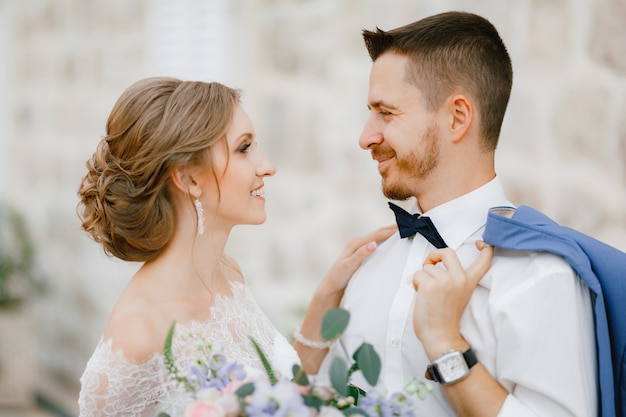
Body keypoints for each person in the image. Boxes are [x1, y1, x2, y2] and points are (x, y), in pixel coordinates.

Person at [295, 11, 597, 417]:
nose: (366, 137)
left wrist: (444, 342)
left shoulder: (539, 275)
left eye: (386, 113)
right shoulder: (369, 266)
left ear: (457, 118)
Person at [76, 77, 396, 417]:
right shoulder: (137, 334)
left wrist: (327, 294)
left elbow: (280, 396)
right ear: (189, 179)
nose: (267, 166)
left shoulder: (228, 274)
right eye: (244, 148)